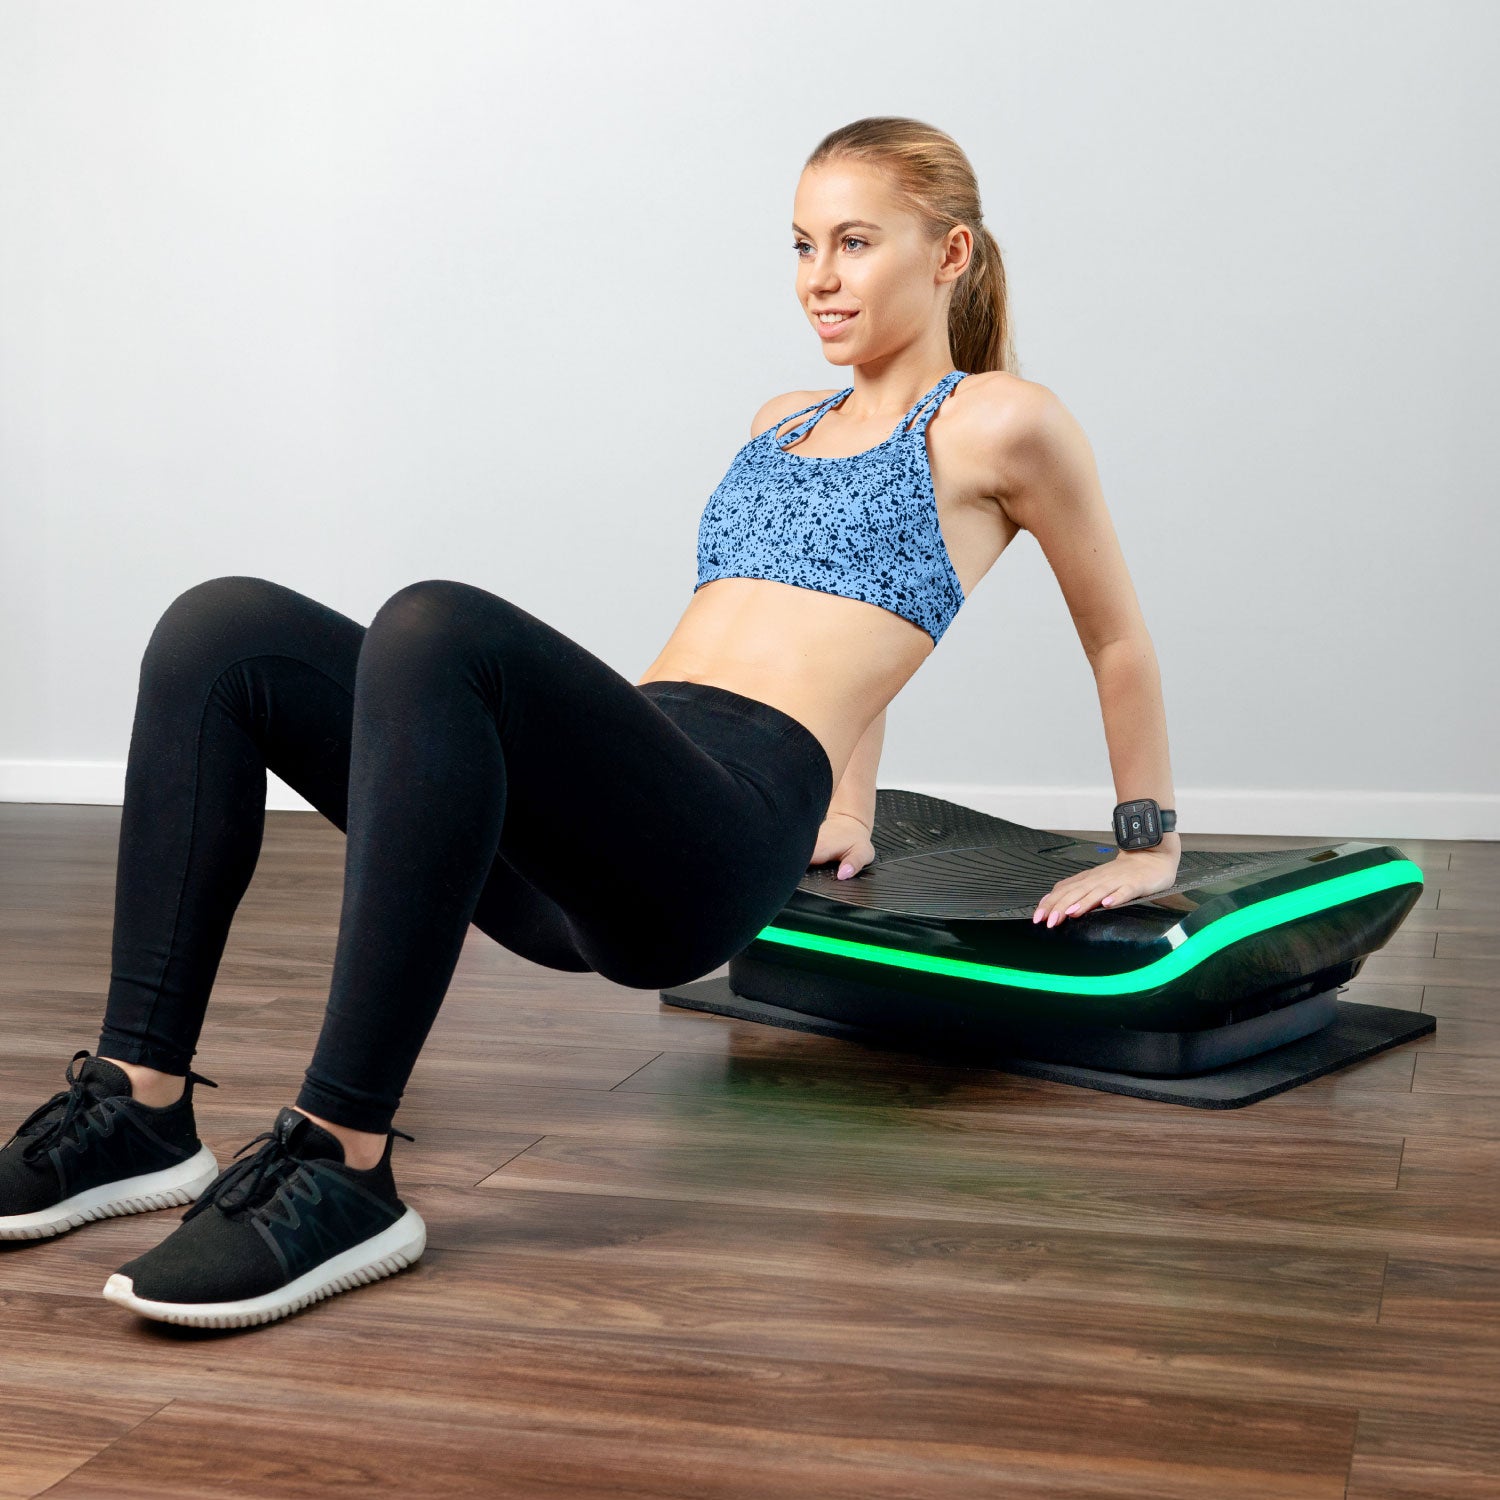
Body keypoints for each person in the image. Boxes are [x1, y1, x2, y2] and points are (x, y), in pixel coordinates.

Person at [0, 116, 1182, 1328]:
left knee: (434, 624)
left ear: (951, 255)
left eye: (855, 242)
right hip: (612, 812)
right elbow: (826, 609)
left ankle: (343, 1161)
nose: (818, 276)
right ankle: (138, 1107)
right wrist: (854, 803)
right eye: (800, 244)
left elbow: (1115, 635)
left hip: (713, 838)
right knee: (221, 632)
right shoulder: (780, 417)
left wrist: (1146, 840)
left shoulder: (1002, 421)